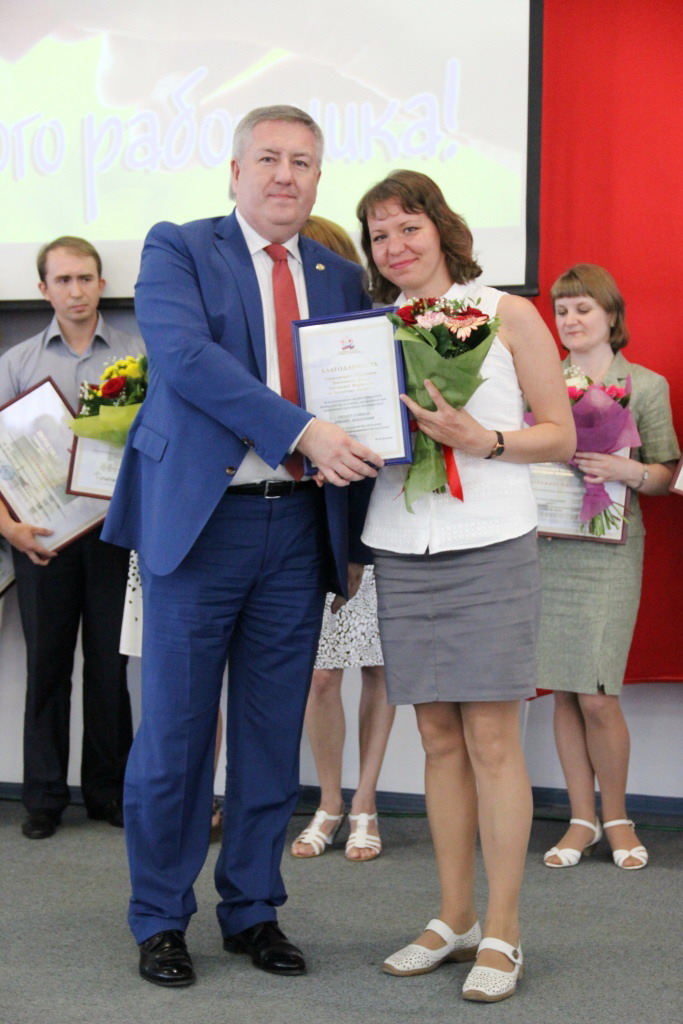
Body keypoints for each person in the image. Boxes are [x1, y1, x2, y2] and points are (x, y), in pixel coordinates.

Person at [102, 105, 383, 987]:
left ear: (318, 179)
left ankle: (254, 909)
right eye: (268, 158)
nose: (284, 175)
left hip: (297, 531)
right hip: (200, 527)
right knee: (176, 739)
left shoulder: (342, 277)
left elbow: (360, 409)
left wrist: (355, 541)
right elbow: (186, 360)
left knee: (268, 737)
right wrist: (301, 429)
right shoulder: (178, 248)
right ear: (235, 171)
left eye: (302, 161)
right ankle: (160, 917)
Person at [355, 171, 575, 1003]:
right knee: (436, 738)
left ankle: (504, 931)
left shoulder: (506, 313)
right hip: (401, 541)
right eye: (378, 235)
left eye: (406, 226)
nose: (394, 245)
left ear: (440, 229)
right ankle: (453, 918)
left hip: (488, 540)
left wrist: (484, 440)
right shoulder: (369, 331)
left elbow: (558, 434)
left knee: (490, 739)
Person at [539, 264, 679, 872]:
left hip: (611, 549)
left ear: (612, 316)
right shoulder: (541, 382)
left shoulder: (645, 385)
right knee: (564, 688)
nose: (571, 320)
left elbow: (667, 473)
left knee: (598, 694)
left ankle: (618, 817)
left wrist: (628, 471)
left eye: (583, 309)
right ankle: (581, 819)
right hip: (548, 545)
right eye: (562, 311)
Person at [0, 236, 141, 840]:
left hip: (114, 533)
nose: (76, 291)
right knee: (48, 667)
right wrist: (9, 528)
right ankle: (44, 798)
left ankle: (109, 791)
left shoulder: (137, 355)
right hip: (40, 537)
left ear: (101, 284)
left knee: (110, 666)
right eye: (63, 280)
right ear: (43, 289)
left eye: (86, 278)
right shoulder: (17, 363)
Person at [290, 216, 395, 863]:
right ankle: (329, 801)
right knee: (322, 677)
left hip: (378, 522)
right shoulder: (283, 353)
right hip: (312, 528)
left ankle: (366, 802)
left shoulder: (374, 338)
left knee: (380, 669)